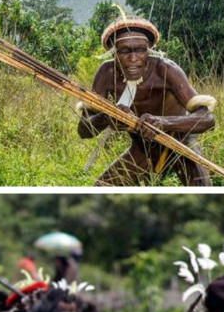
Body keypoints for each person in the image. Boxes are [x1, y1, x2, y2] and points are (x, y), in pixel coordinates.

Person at [77, 16, 215, 186]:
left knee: (201, 187)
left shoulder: (165, 69)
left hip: (180, 143)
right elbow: (83, 130)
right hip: (142, 148)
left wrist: (163, 123)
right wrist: (107, 117)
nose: (133, 58)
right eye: (125, 51)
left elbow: (207, 119)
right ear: (114, 52)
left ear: (149, 50)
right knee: (101, 189)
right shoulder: (107, 73)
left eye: (140, 50)